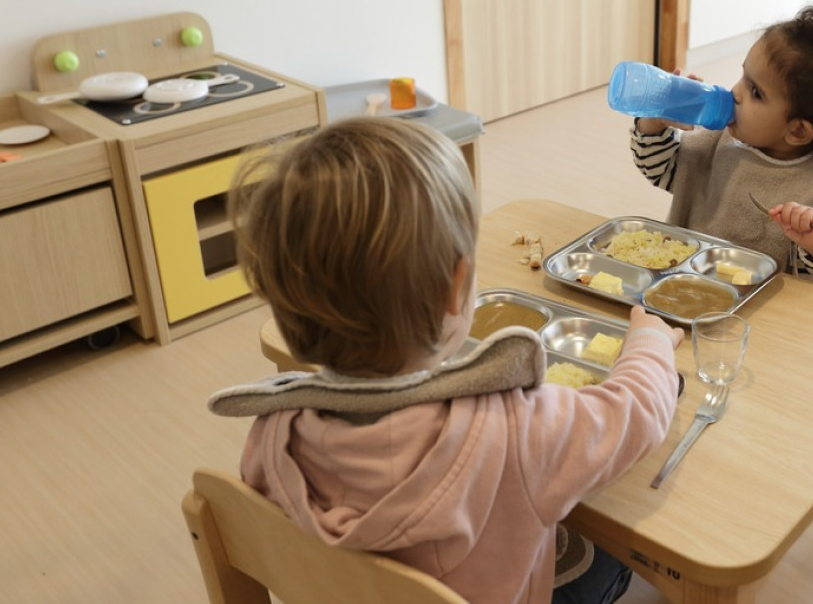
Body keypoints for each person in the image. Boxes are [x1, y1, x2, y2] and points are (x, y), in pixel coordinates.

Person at [208, 117, 683, 604]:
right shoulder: (511, 430)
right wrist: (650, 343)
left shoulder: (269, 437)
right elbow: (635, 414)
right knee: (610, 556)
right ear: (456, 289)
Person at [630, 2, 813, 290]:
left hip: (768, 317)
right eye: (743, 76)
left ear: (797, 131)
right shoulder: (723, 143)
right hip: (683, 291)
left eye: (755, 92)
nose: (735, 92)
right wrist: (655, 121)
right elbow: (661, 169)